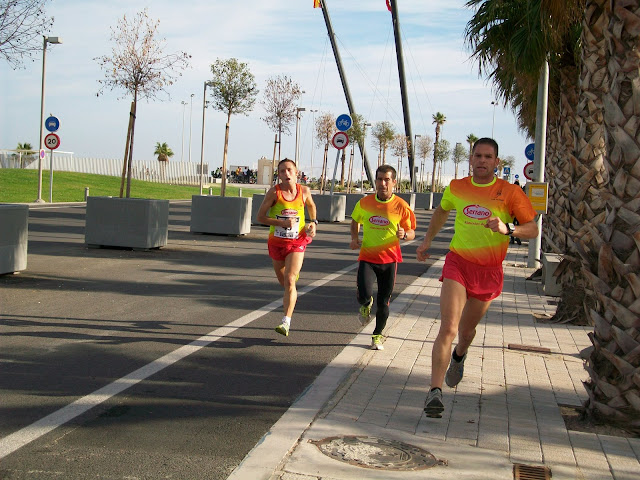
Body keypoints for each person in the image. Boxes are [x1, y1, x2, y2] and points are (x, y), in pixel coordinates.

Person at [416, 137, 538, 417]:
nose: (482, 161)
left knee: (466, 332)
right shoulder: (457, 187)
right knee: (448, 326)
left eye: (488, 157)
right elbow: (442, 210)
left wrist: (508, 228)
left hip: (490, 271)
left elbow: (532, 229)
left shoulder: (509, 192)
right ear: (471, 159)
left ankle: (459, 355)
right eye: (478, 156)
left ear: (497, 162)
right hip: (458, 263)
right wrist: (426, 241)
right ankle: (435, 392)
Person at [350, 164, 416, 350]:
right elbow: (355, 220)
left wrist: (405, 235)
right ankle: (365, 304)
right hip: (368, 258)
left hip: (390, 260)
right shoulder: (365, 203)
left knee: (384, 302)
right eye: (379, 179)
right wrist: (355, 238)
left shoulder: (401, 206)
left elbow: (411, 232)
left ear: (394, 182)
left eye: (387, 180)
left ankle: (377, 335)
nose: (382, 183)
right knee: (364, 294)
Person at [257, 158, 318, 337]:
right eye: (282, 171)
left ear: (296, 172)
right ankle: (292, 282)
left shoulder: (304, 191)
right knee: (284, 283)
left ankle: (286, 322)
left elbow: (312, 206)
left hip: (297, 241)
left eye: (289, 170)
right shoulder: (274, 193)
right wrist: (280, 223)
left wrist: (313, 223)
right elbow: (260, 217)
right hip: (276, 242)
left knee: (290, 280)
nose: (286, 174)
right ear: (279, 175)